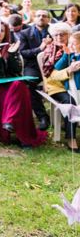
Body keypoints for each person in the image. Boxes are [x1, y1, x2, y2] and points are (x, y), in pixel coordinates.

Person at [0, 22, 47, 148]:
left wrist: (12, 55)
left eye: (2, 31)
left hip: (11, 84)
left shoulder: (11, 47)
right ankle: (8, 126)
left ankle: (16, 128)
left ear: (6, 33)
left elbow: (16, 71)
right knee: (19, 89)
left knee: (19, 86)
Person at [41, 23, 77, 151]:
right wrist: (69, 71)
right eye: (56, 35)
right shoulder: (50, 51)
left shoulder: (74, 47)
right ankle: (71, 138)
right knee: (70, 102)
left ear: (68, 36)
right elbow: (52, 76)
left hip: (75, 86)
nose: (59, 37)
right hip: (57, 87)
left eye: (62, 34)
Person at [19, 9, 52, 130]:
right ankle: (43, 117)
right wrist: (40, 48)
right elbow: (23, 53)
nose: (41, 17)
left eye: (44, 16)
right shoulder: (25, 33)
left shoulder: (54, 32)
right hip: (33, 66)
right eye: (38, 15)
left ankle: (65, 117)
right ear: (34, 18)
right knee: (29, 83)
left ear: (48, 19)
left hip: (53, 66)